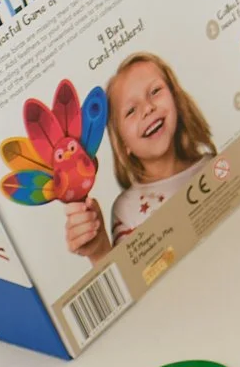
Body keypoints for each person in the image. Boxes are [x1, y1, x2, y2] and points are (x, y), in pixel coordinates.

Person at [67, 53, 217, 261]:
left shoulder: (214, 166)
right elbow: (130, 277)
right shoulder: (126, 211)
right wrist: (99, 251)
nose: (148, 108)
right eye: (131, 111)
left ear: (176, 99)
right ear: (123, 143)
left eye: (155, 91)